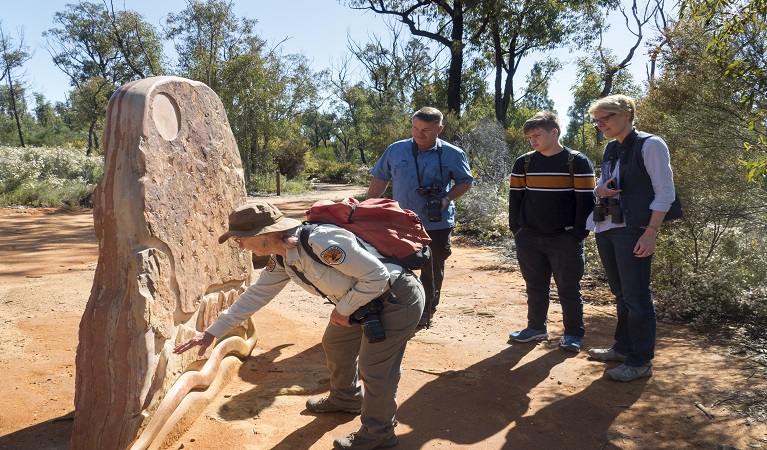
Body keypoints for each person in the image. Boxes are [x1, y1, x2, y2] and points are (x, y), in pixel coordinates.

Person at [173, 202, 425, 450]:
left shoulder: (321, 242)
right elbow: (256, 295)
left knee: (376, 368)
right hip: (361, 304)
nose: (238, 245)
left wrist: (343, 309)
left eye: (239, 239)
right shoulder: (283, 257)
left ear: (262, 236)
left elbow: (377, 276)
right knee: (336, 345)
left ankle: (379, 433)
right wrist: (211, 332)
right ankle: (346, 398)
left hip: (395, 298)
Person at [586, 94, 677, 382]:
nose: (601, 125)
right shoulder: (612, 148)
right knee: (621, 294)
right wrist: (600, 190)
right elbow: (602, 183)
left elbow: (665, 192)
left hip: (634, 229)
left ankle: (640, 361)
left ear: (626, 113)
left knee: (637, 298)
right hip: (608, 228)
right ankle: (623, 348)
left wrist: (650, 232)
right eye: (597, 121)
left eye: (606, 118)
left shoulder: (650, 144)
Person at [367, 107, 474, 328]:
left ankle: (426, 312)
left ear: (440, 129)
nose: (419, 134)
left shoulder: (453, 154)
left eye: (426, 130)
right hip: (400, 221)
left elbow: (465, 181)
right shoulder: (396, 149)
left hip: (436, 222)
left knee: (432, 270)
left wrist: (446, 199)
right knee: (391, 266)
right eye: (415, 128)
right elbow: (380, 178)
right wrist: (368, 207)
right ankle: (395, 308)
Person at [507, 111, 596, 352]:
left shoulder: (576, 161)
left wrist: (577, 235)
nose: (533, 140)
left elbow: (586, 202)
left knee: (568, 288)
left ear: (554, 132)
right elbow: (515, 198)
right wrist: (516, 229)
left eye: (537, 135)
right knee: (535, 286)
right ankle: (536, 327)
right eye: (529, 137)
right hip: (529, 237)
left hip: (565, 239)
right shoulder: (524, 162)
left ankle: (573, 334)